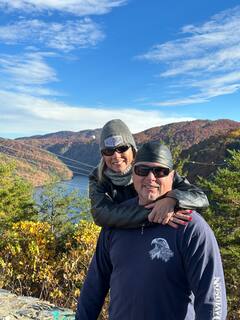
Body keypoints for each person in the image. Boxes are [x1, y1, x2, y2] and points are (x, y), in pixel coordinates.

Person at [76, 141, 227, 320]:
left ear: (172, 176)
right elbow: (94, 286)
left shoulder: (190, 227)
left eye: (160, 171)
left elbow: (213, 301)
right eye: (142, 170)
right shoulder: (117, 221)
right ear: (133, 174)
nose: (151, 178)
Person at [90, 119, 209, 228]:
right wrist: (156, 212)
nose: (116, 155)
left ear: (132, 149)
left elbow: (200, 198)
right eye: (108, 151)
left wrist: (173, 198)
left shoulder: (156, 170)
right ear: (103, 155)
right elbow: (101, 215)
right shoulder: (98, 178)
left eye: (122, 148)